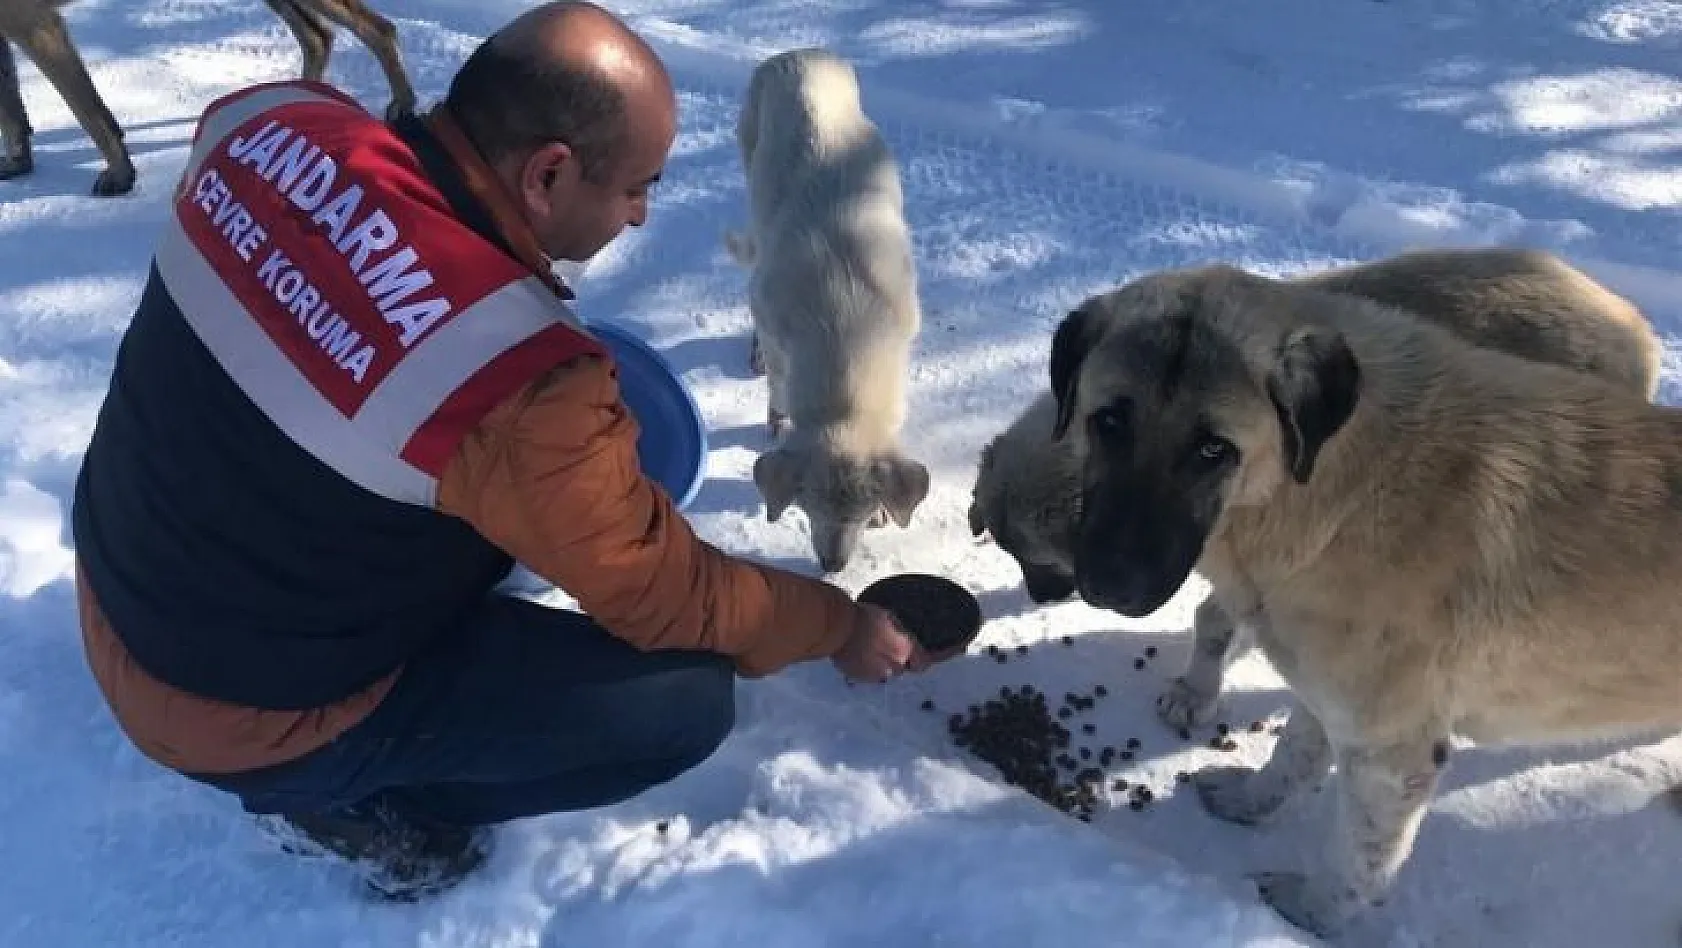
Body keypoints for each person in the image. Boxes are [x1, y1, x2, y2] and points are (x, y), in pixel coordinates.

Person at [69, 0, 935, 902]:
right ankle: (351, 801)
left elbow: (346, 285)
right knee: (679, 706)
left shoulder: (269, 123)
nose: (640, 217)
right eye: (637, 186)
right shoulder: (514, 381)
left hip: (123, 576)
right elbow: (667, 594)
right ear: (548, 174)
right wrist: (837, 624)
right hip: (234, 712)